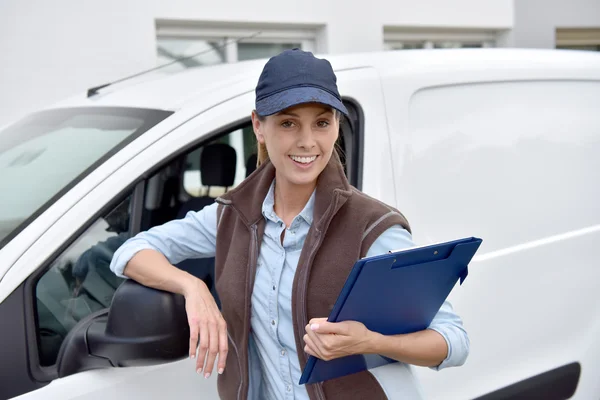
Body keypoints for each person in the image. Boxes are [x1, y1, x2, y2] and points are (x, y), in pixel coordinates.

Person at [109, 49, 469, 400]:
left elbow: (452, 341)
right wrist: (194, 290)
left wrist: (370, 343)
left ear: (336, 127)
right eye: (288, 122)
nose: (307, 141)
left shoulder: (372, 227)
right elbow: (130, 252)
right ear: (258, 127)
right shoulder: (233, 215)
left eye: (322, 123)